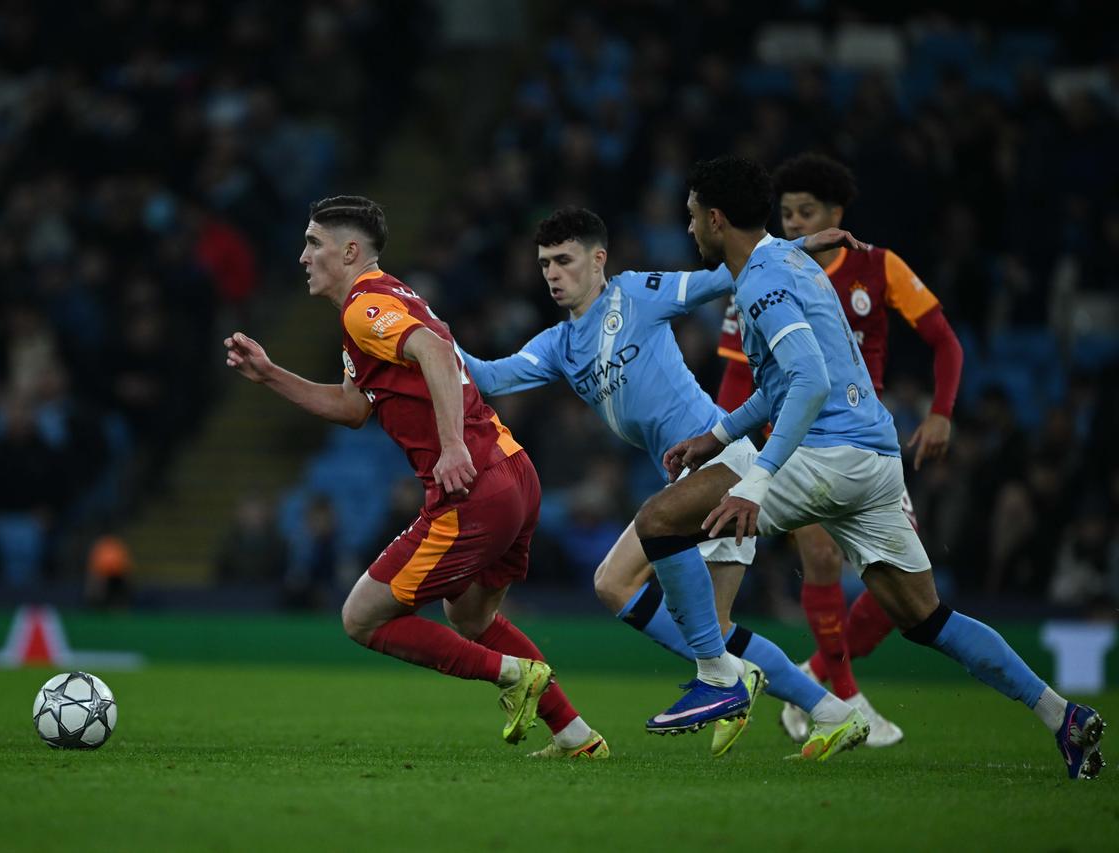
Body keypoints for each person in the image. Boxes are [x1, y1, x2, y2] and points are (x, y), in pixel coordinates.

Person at [648, 155, 1104, 778]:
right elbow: (785, 382)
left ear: (717, 217)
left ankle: (718, 678)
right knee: (928, 619)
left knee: (663, 520)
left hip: (824, 454)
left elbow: (806, 384)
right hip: (876, 458)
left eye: (694, 216)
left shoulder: (761, 282)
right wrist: (718, 435)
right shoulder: (790, 260)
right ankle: (1063, 716)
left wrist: (756, 481)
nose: (691, 228)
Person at [463, 206, 868, 759]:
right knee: (707, 626)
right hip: (693, 476)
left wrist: (795, 247)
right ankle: (830, 712)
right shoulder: (560, 345)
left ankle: (729, 677)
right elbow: (486, 375)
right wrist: (425, 334)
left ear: (598, 260)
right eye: (544, 265)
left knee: (616, 584)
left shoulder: (637, 293)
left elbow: (729, 272)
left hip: (720, 463)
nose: (553, 274)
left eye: (564, 260)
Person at [224, 195, 607, 758]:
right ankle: (576, 736)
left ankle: (513, 675)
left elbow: (433, 349)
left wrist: (451, 446)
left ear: (349, 251)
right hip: (513, 473)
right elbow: (355, 408)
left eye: (313, 243)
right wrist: (271, 375)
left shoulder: (365, 307)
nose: (303, 255)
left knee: (361, 617)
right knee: (470, 614)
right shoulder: (383, 301)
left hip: (472, 483)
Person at [716, 152, 964, 746]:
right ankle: (843, 699)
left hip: (866, 442)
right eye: (787, 212)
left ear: (836, 213)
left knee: (899, 590)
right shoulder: (762, 274)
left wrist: (941, 412)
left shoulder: (878, 266)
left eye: (808, 212)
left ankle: (815, 679)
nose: (796, 222)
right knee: (823, 561)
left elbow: (945, 343)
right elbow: (734, 378)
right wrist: (725, 448)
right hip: (796, 439)